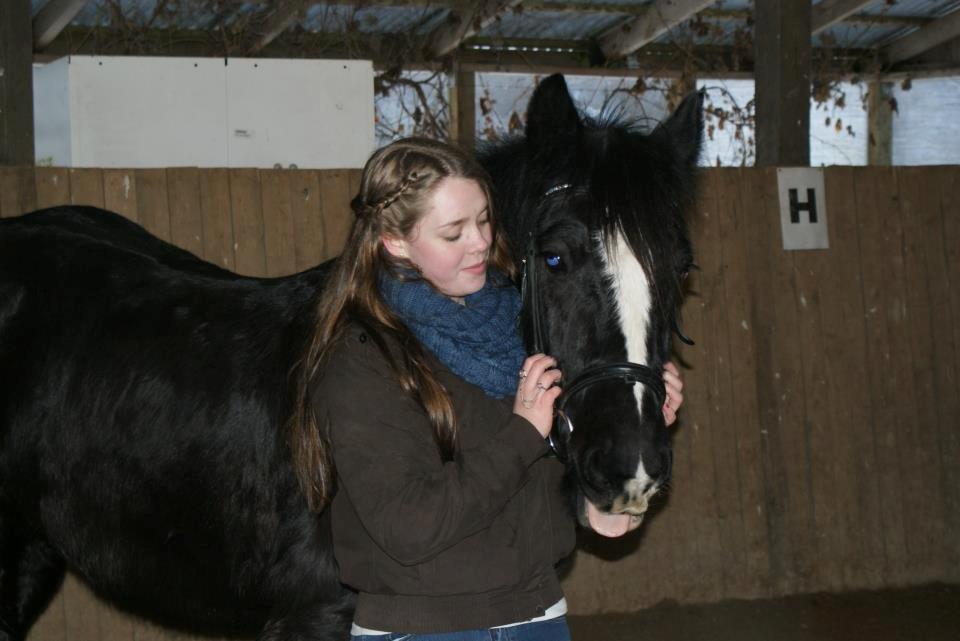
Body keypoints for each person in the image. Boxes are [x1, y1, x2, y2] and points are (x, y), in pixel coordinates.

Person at [292, 138, 684, 641]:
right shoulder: (362, 359)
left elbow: (592, 517)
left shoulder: (520, 332)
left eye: (483, 220)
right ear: (395, 242)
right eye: (453, 232)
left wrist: (634, 438)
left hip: (538, 618)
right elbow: (408, 529)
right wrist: (522, 434)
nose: (479, 242)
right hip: (426, 631)